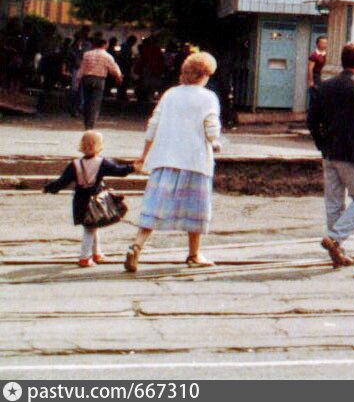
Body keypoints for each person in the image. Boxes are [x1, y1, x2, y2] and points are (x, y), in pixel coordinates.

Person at [123, 52, 222, 272]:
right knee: (196, 210)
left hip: (165, 159)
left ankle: (137, 245)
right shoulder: (208, 97)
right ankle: (194, 254)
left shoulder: (170, 94)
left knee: (154, 207)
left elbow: (153, 125)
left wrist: (143, 155)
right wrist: (216, 142)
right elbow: (212, 130)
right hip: (195, 161)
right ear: (205, 74)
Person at [306, 43, 354, 268]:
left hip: (330, 153)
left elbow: (311, 120)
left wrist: (322, 145)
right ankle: (335, 238)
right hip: (353, 154)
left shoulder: (325, 87)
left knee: (334, 203)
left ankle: (338, 253)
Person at [44, 130, 135, 267]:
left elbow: (62, 182)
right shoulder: (102, 163)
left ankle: (96, 253)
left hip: (80, 200)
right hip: (95, 200)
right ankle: (84, 258)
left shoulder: (74, 164)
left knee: (91, 226)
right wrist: (133, 167)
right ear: (99, 145)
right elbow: (119, 171)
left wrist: (49, 188)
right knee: (90, 228)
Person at [74, 34, 123, 130]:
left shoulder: (87, 54)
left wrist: (77, 80)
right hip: (99, 80)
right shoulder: (107, 56)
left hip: (87, 79)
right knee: (95, 102)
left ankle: (86, 122)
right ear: (104, 44)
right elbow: (113, 68)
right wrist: (118, 77)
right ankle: (90, 125)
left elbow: (82, 68)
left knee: (87, 101)